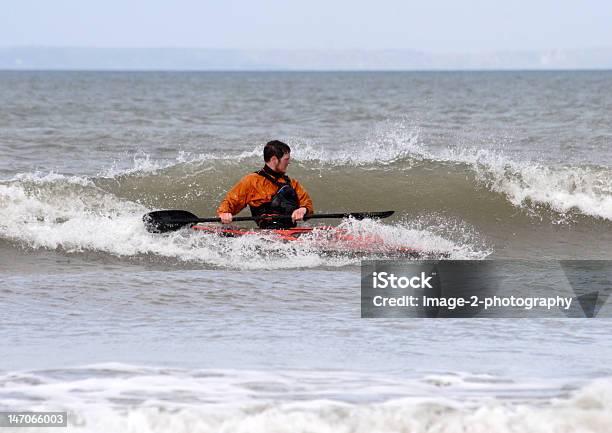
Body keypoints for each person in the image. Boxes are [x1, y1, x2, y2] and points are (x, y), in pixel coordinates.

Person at [217, 140, 314, 229]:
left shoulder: (292, 183)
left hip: (291, 232)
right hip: (265, 235)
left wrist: (303, 210)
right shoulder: (251, 181)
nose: (289, 162)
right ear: (274, 160)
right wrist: (224, 213)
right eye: (286, 159)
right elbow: (229, 202)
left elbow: (308, 205)